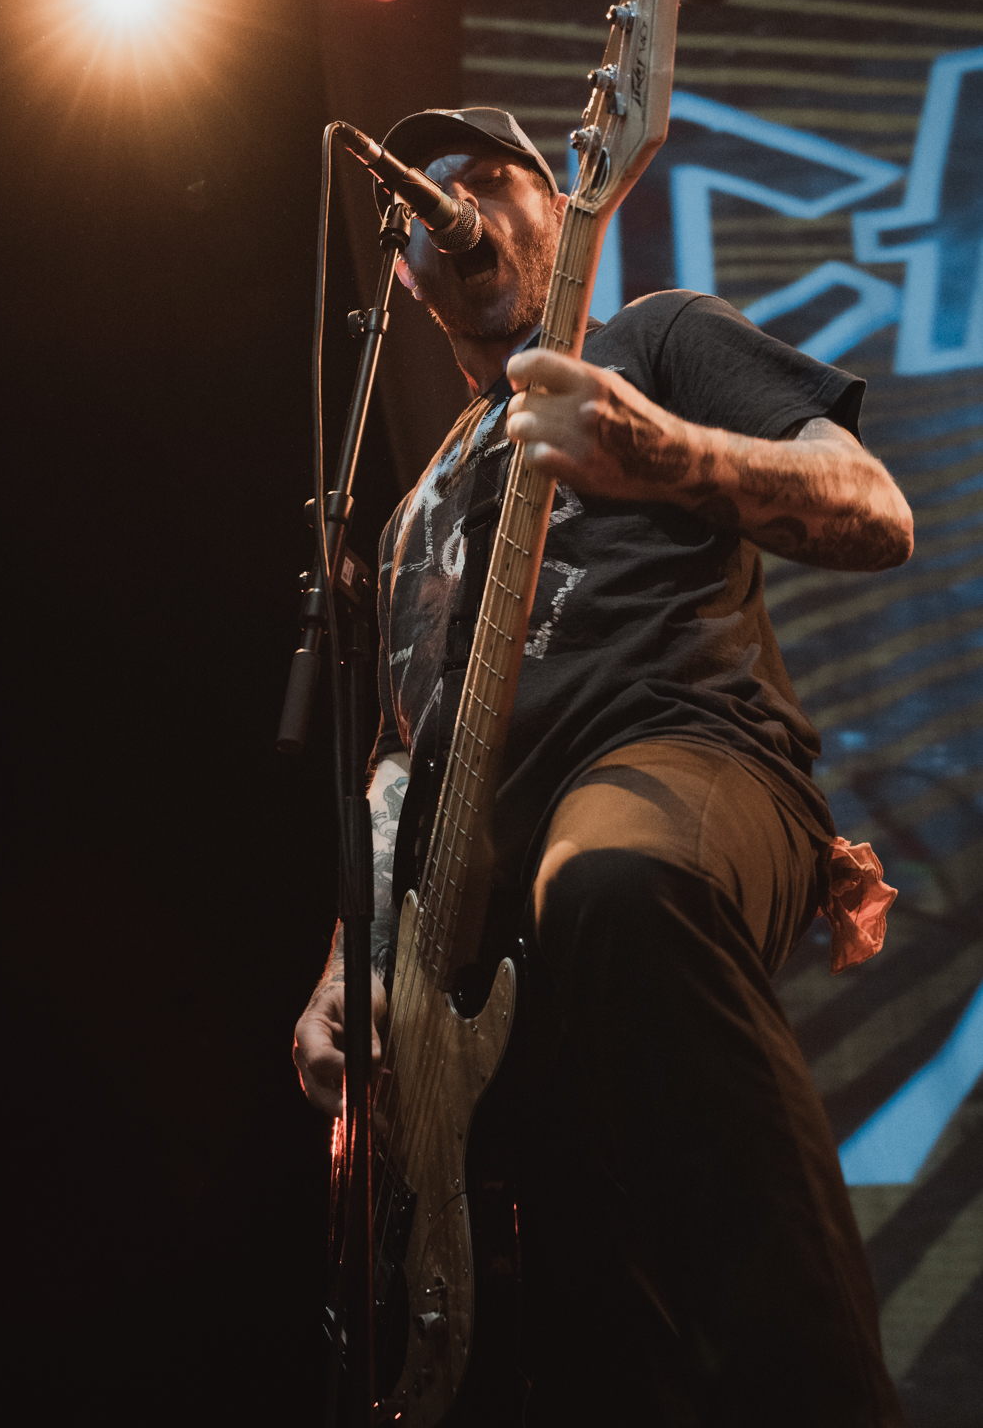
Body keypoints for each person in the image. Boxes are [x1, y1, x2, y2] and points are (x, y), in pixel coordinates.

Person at [292, 106, 913, 1427]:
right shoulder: (407, 518)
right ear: (405, 273)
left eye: (492, 177)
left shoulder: (655, 341)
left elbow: (873, 510)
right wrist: (351, 968)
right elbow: (400, 756)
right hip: (494, 937)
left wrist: (659, 451)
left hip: (686, 756)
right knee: (583, 1314)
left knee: (615, 884)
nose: (457, 205)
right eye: (428, 197)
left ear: (564, 200)